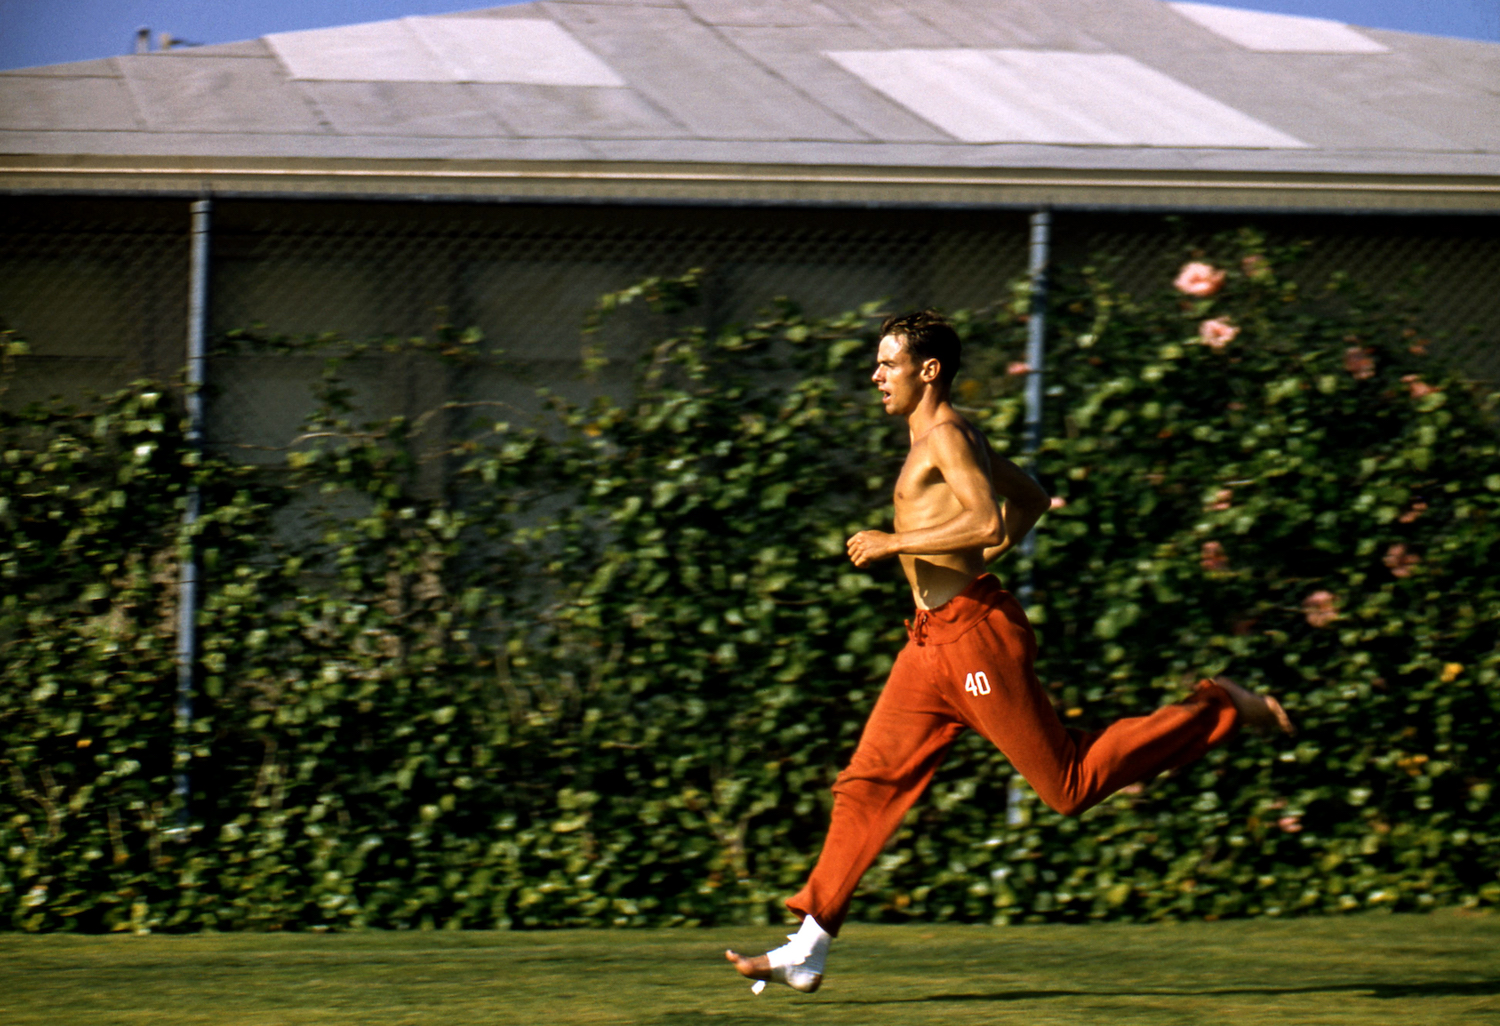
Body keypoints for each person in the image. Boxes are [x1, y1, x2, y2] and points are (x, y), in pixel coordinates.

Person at [725, 309, 1294, 995]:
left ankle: (1217, 705)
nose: (875, 375)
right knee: (867, 782)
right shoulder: (933, 436)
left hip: (975, 640)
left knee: (1069, 786)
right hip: (929, 642)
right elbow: (1027, 501)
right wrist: (987, 553)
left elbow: (987, 515)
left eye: (887, 362)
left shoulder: (947, 434)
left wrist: (893, 543)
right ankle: (807, 946)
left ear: (928, 370)